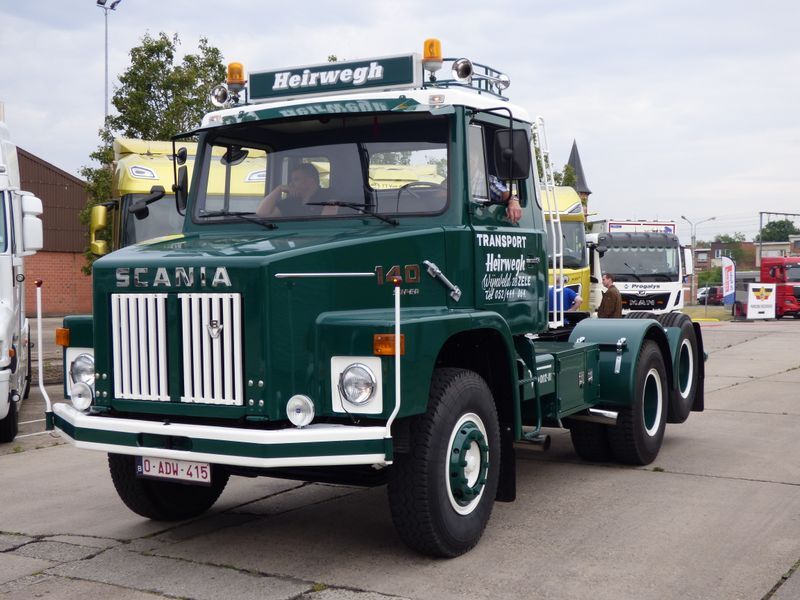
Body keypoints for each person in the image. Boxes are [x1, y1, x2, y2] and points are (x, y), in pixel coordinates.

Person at [256, 163, 335, 218]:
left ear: (310, 181)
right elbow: (262, 214)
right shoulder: (292, 201)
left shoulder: (328, 196)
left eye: (296, 180)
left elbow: (326, 223)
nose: (291, 184)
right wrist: (278, 189)